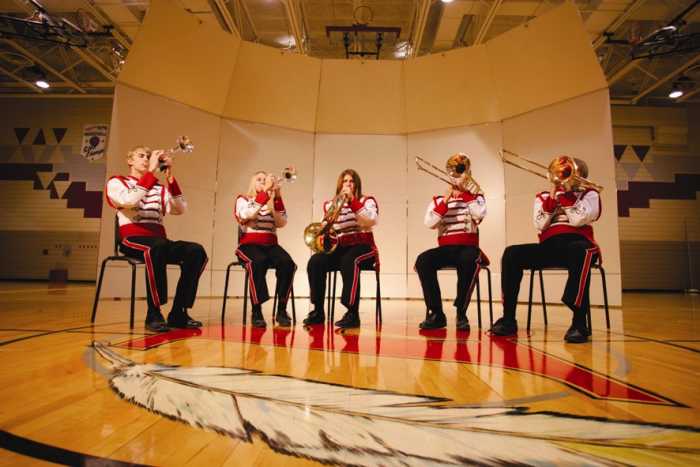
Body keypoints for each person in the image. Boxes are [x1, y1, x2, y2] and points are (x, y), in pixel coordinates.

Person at [490, 156, 601, 343]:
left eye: (569, 173)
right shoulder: (543, 196)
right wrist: (552, 199)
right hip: (550, 245)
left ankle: (579, 323)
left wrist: (566, 196)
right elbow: (540, 224)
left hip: (580, 244)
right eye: (562, 173)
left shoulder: (591, 194)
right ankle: (508, 318)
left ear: (581, 176)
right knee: (511, 253)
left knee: (579, 250)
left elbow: (578, 220)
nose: (563, 177)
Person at [105, 146, 207, 332]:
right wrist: (151, 172)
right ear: (130, 161)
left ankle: (178, 312)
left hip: (158, 241)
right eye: (141, 156)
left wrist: (170, 177)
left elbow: (180, 209)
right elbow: (128, 201)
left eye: (148, 156)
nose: (146, 159)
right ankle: (154, 312)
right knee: (156, 247)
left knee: (196, 251)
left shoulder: (159, 188)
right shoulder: (117, 182)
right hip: (131, 238)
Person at [415, 154, 487, 331]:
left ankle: (461, 312)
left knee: (468, 260)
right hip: (446, 248)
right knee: (423, 260)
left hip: (468, 247)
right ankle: (436, 313)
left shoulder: (476, 197)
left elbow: (479, 215)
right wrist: (446, 201)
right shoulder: (439, 200)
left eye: (461, 171)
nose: (458, 175)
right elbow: (429, 223)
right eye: (455, 172)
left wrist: (466, 195)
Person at [303, 169, 378, 329]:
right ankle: (318, 310)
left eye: (351, 181)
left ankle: (352, 313)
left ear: (356, 185)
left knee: (350, 261)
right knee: (315, 261)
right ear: (340, 185)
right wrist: (324, 231)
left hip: (363, 246)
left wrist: (353, 202)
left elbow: (371, 220)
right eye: (345, 181)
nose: (348, 184)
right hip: (340, 247)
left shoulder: (366, 201)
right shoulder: (331, 204)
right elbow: (326, 227)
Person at [235, 171, 296, 328]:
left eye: (265, 179)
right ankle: (256, 310)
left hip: (271, 246)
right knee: (258, 261)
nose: (263, 182)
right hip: (249, 245)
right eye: (259, 179)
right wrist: (265, 193)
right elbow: (246, 214)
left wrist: (277, 196)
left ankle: (282, 309)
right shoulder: (243, 200)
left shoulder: (270, 204)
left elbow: (282, 222)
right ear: (253, 183)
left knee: (288, 263)